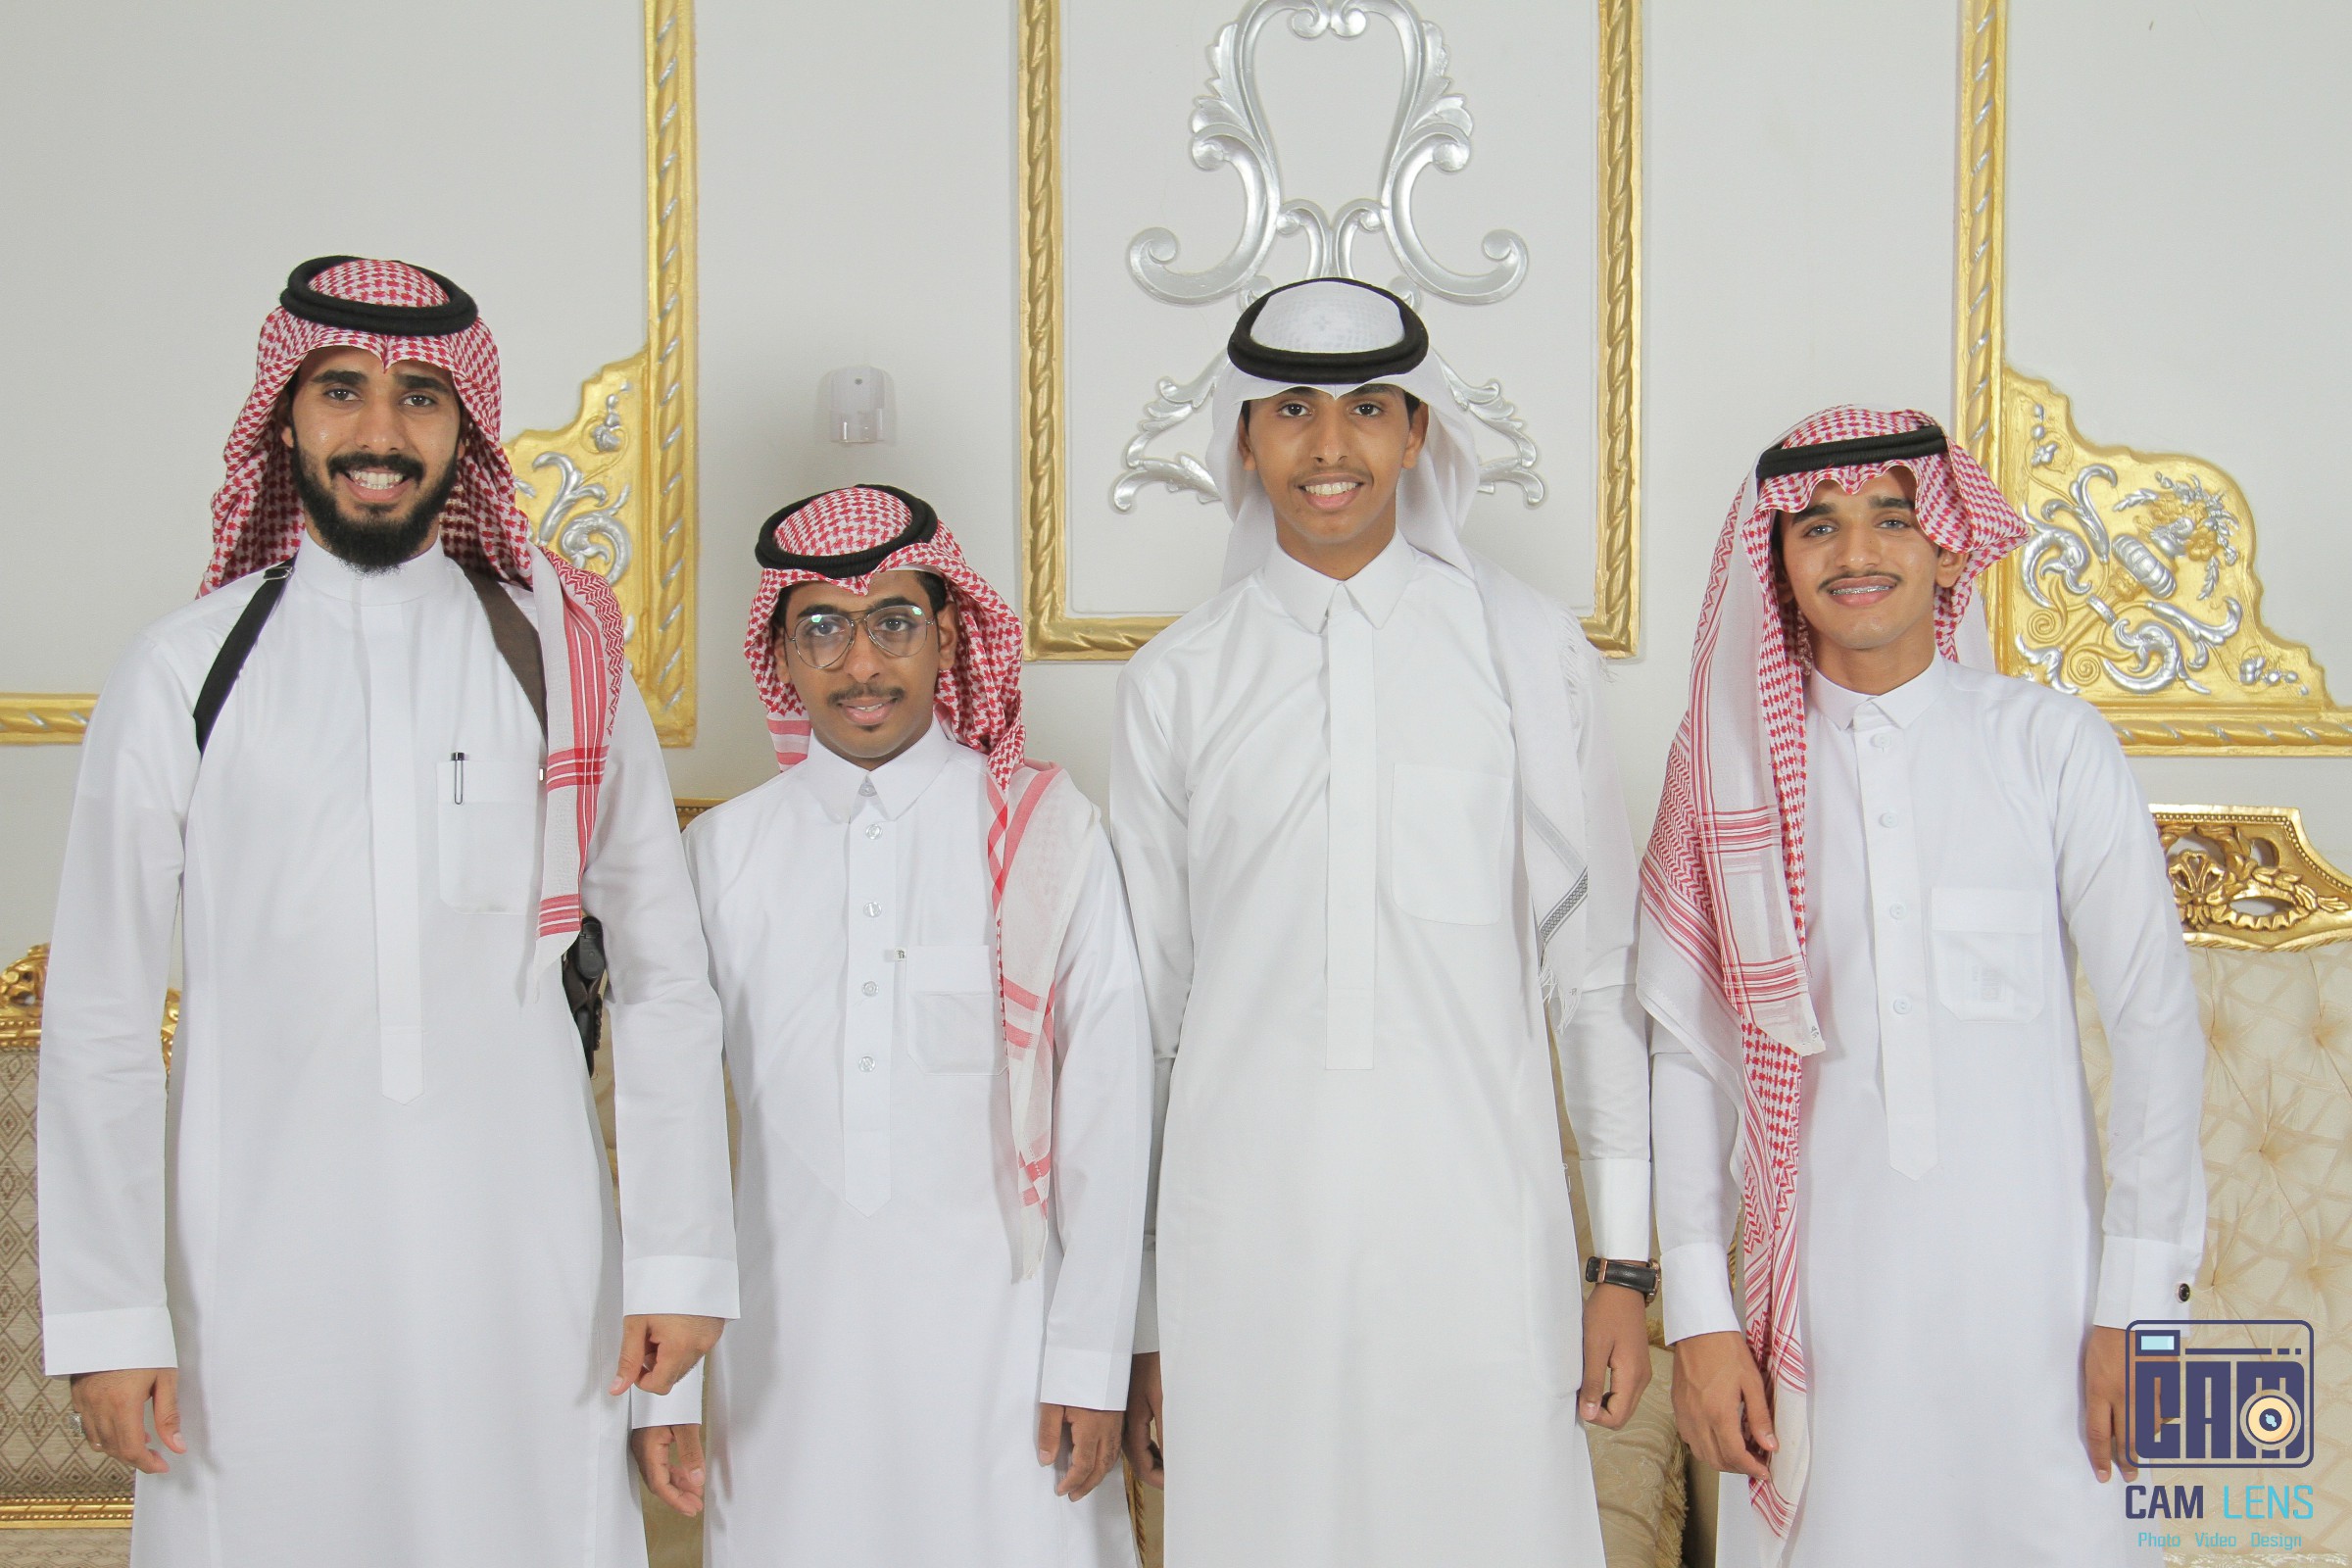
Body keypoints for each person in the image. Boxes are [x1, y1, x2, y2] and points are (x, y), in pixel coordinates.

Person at [37, 257, 736, 1568]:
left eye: (420, 396)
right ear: (283, 419)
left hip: (525, 1276)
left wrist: (681, 1266)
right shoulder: (185, 671)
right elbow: (100, 1016)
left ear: (464, 428)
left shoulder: (561, 662)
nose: (380, 431)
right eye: (341, 390)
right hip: (253, 1283)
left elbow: (662, 979)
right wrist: (110, 1316)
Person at [1109, 277, 1655, 1568]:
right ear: (1246, 439)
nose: (1330, 444)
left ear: (1419, 433)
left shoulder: (1528, 656)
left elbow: (1592, 982)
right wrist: (1141, 1319)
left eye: (1367, 407)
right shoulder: (1177, 682)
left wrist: (1624, 1269)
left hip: (1478, 1240)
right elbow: (1150, 1023)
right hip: (1245, 1254)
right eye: (1292, 409)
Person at [1639, 407, 2207, 1567]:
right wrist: (1699, 1316)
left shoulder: (2049, 746)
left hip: (2046, 1313)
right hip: (1825, 1320)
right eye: (1817, 526)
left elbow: (2156, 1025)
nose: (1855, 552)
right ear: (1777, 560)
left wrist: (2137, 1307)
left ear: (1950, 547)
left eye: (1891, 519)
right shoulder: (1728, 774)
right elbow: (1690, 1053)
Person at [629, 485, 1151, 1567]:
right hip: (788, 1372)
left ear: (950, 632)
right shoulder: (720, 856)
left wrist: (1092, 1361)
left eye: (894, 622)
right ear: (780, 650)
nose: (860, 662)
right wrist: (663, 1391)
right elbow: (670, 1121)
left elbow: (1109, 1110)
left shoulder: (1049, 834)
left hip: (1012, 1364)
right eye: (822, 626)